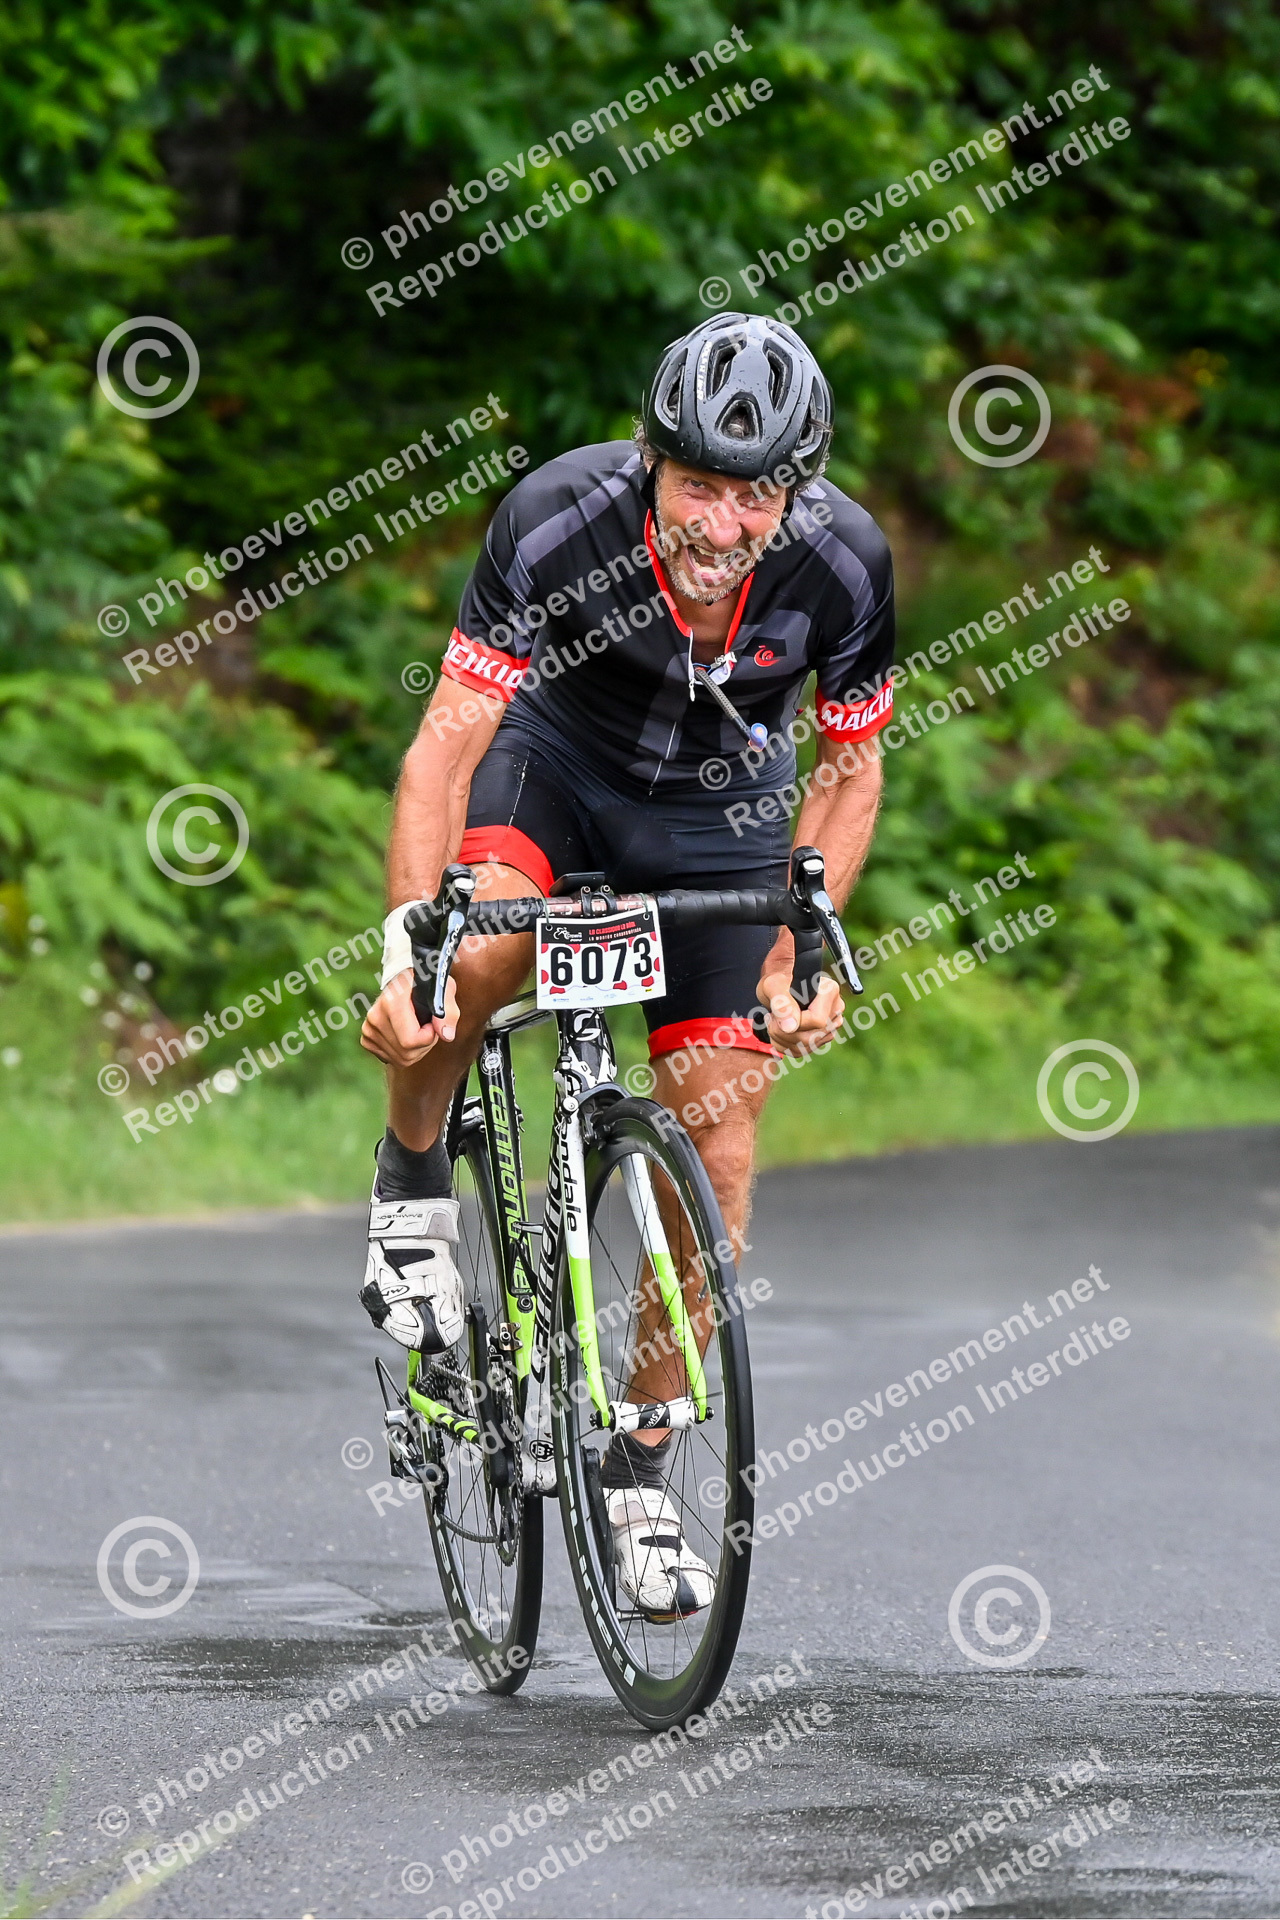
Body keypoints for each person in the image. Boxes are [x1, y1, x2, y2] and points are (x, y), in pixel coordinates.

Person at [359, 313, 895, 1618]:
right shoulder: (555, 520)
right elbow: (445, 747)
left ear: (800, 490)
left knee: (720, 1133)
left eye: (756, 494)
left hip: (719, 809)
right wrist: (410, 946)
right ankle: (415, 1178)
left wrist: (801, 942)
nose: (723, 523)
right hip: (552, 770)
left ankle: (641, 1465)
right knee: (471, 962)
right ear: (651, 460)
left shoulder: (846, 564)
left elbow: (851, 766)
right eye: (699, 484)